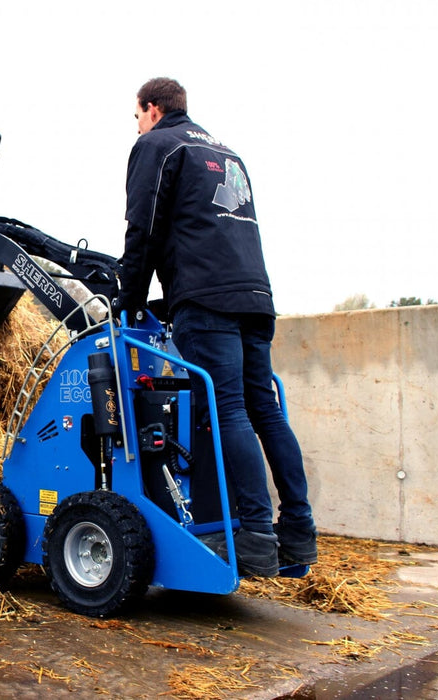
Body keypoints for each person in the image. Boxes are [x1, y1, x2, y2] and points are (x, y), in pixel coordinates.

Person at [116, 77, 317, 577]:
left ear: (152, 107)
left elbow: (143, 228)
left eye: (135, 114)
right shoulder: (228, 154)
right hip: (255, 296)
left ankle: (253, 537)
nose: (136, 124)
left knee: (227, 409)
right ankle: (298, 530)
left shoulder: (157, 145)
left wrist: (129, 301)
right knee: (264, 411)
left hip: (207, 302)